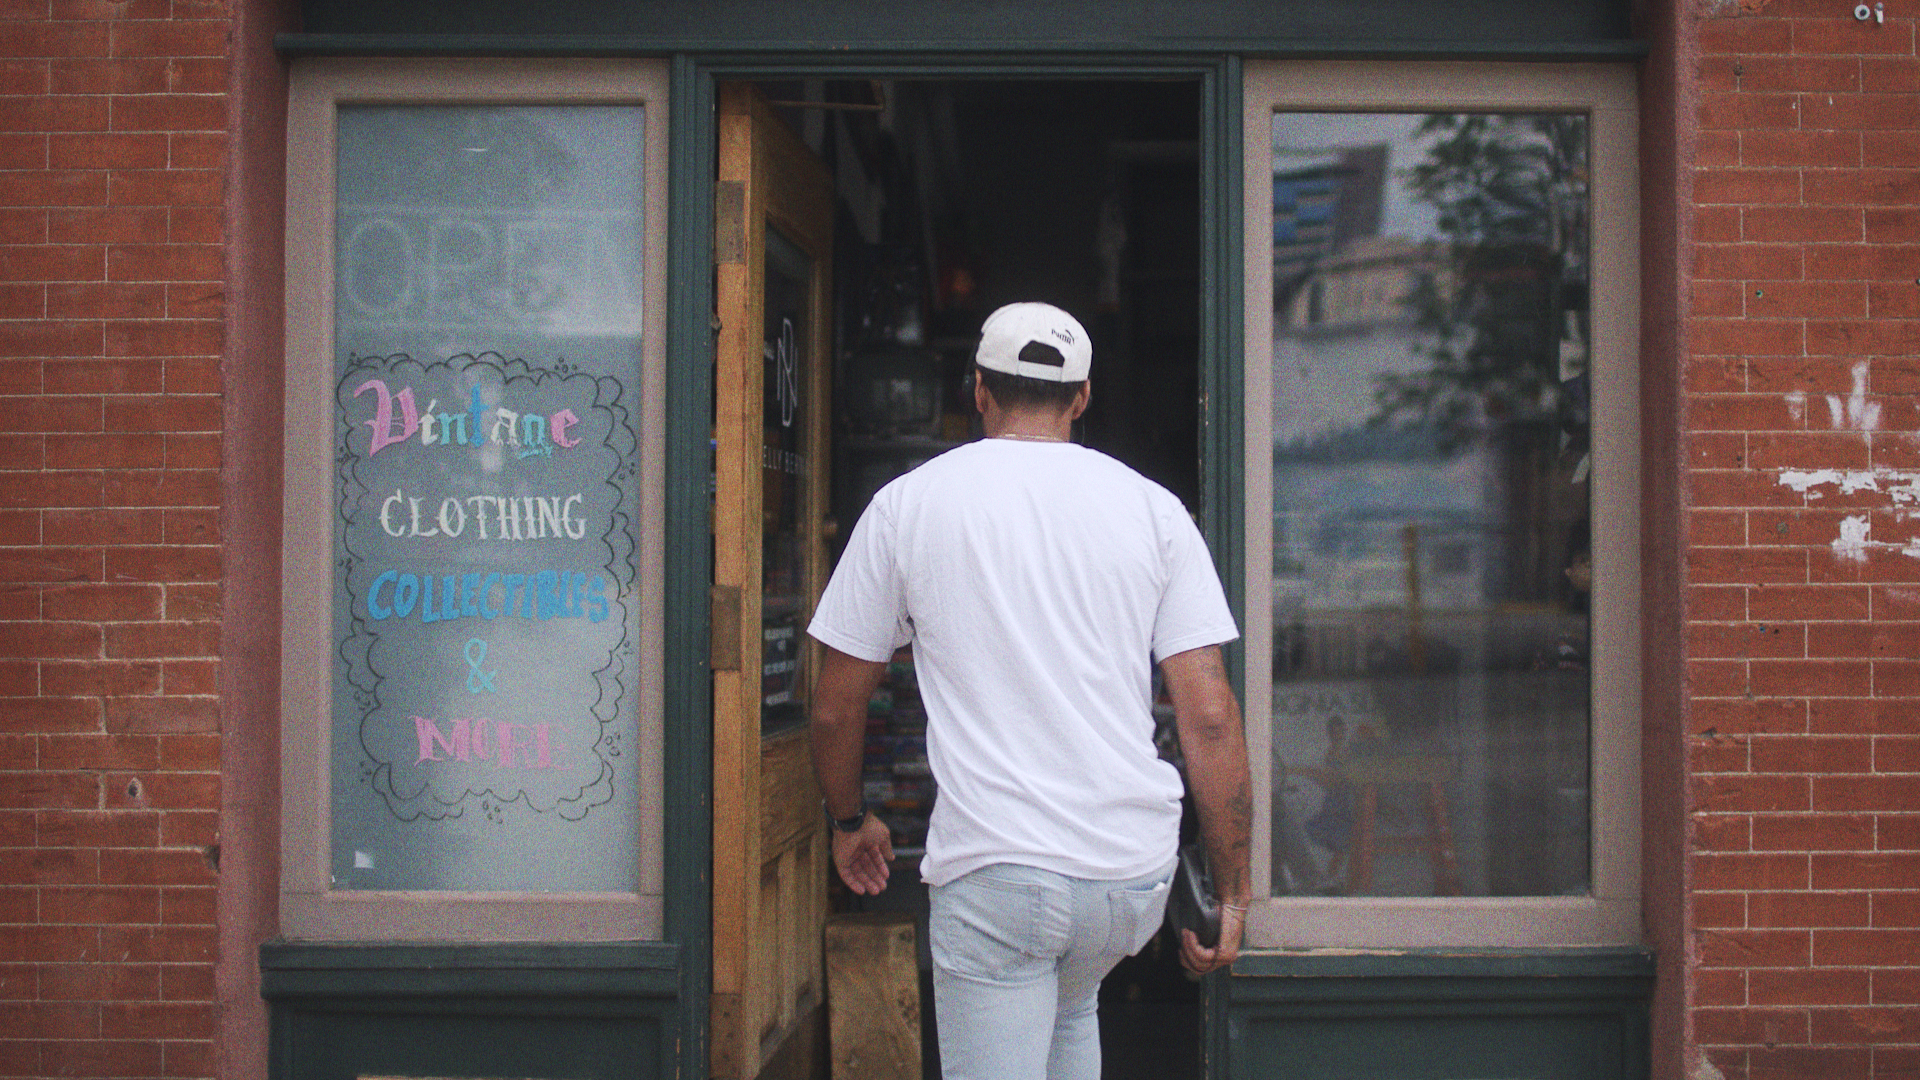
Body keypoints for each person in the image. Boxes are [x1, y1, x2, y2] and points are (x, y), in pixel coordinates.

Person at [807, 302, 1252, 1080]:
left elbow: (836, 704)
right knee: (1071, 1010)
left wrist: (849, 820)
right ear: (1082, 398)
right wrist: (1234, 891)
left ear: (976, 389)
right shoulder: (1154, 511)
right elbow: (1209, 717)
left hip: (1000, 874)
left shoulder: (909, 504)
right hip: (1126, 879)